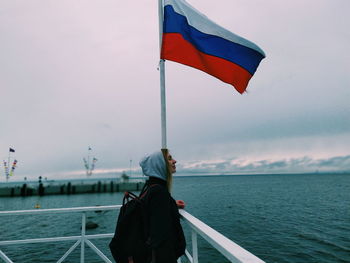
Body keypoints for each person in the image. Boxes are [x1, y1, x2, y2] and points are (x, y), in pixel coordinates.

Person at [139, 149, 186, 263]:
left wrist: (171, 204)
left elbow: (153, 212)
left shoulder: (151, 187)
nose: (175, 161)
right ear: (159, 164)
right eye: (169, 159)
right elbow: (160, 236)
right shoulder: (159, 192)